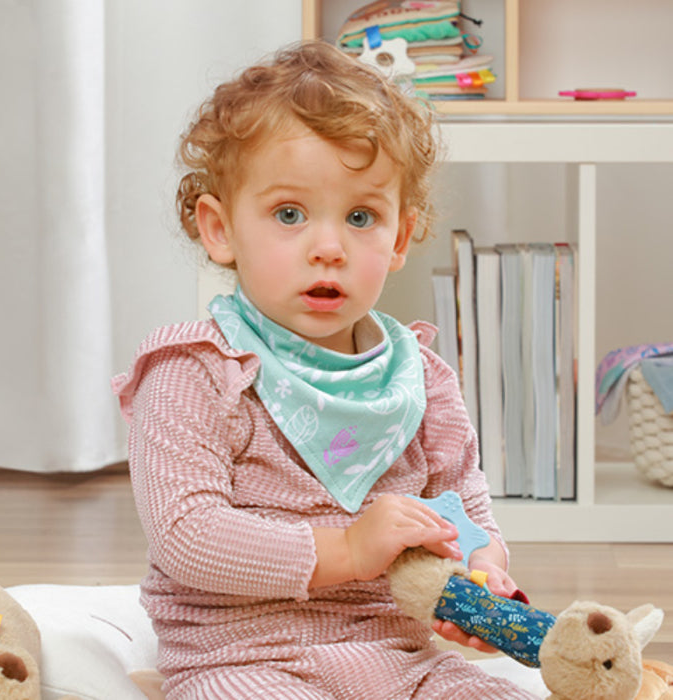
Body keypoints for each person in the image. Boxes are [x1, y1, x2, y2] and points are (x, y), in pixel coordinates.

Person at [113, 40, 537, 699]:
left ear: (399, 238)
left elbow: (466, 508)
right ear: (220, 229)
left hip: (401, 657)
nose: (330, 248)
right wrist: (348, 550)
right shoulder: (193, 373)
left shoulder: (421, 380)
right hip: (244, 657)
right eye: (289, 214)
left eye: (361, 217)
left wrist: (483, 572)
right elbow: (186, 536)